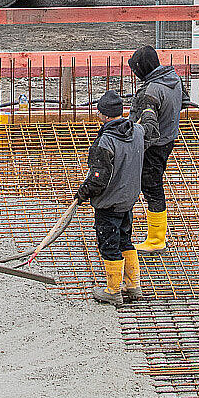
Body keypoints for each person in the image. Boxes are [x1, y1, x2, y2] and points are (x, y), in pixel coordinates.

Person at [74, 90, 158, 305]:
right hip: (128, 200)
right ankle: (133, 286)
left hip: (110, 203)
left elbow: (98, 179)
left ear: (103, 114)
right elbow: (152, 131)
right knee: (125, 240)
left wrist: (83, 193)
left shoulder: (105, 142)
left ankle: (113, 291)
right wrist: (149, 109)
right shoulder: (137, 131)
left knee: (109, 244)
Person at [127, 44, 187, 255]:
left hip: (154, 146)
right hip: (168, 139)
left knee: (151, 187)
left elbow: (150, 131)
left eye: (136, 70)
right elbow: (185, 101)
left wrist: (132, 148)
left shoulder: (151, 91)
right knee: (153, 184)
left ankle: (156, 240)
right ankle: (156, 237)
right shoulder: (173, 78)